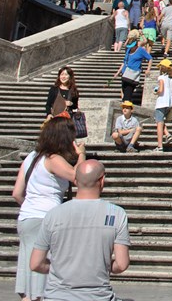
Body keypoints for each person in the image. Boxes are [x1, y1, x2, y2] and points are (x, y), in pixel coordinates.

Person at [30, 160, 130, 301]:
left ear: (75, 181)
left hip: (56, 297)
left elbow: (35, 264)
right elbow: (121, 264)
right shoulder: (117, 214)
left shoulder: (53, 214)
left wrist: (62, 268)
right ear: (102, 180)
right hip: (98, 297)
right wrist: (99, 266)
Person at [12, 117, 83, 301]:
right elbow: (80, 178)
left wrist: (31, 207)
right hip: (47, 217)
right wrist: (81, 155)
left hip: (26, 217)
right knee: (44, 270)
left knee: (29, 270)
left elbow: (17, 193)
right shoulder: (53, 159)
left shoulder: (31, 158)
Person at [115, 36, 152, 104]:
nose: (130, 48)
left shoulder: (141, 50)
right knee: (124, 90)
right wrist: (118, 72)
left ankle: (126, 104)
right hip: (125, 73)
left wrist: (148, 69)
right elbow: (124, 62)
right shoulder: (128, 50)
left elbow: (150, 58)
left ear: (136, 45)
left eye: (132, 46)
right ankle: (126, 104)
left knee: (128, 91)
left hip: (133, 74)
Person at [153, 59, 172, 152]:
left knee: (159, 123)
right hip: (170, 103)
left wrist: (156, 91)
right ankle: (167, 134)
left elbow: (161, 90)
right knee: (160, 121)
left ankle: (160, 146)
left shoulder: (161, 78)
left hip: (162, 102)